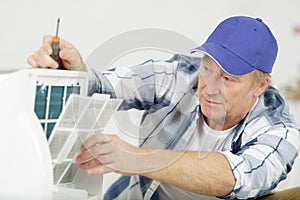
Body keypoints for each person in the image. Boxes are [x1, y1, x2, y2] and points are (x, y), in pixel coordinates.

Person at [27, 16, 300, 199]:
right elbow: (104, 85)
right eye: (208, 68)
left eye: (229, 78)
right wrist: (76, 71)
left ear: (260, 86)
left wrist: (139, 159)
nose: (211, 86)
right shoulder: (179, 75)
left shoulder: (280, 130)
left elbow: (237, 176)